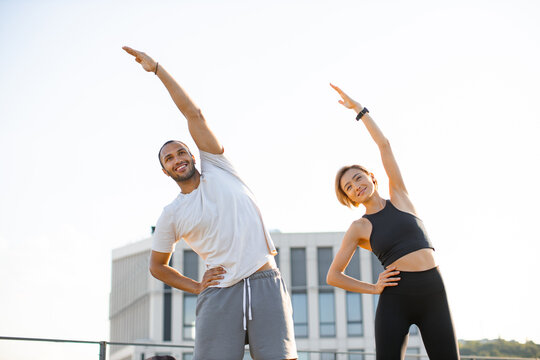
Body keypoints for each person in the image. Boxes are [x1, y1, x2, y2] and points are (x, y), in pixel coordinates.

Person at [122, 46, 297, 360]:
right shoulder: (172, 214)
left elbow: (194, 113)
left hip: (264, 281)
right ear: (164, 170)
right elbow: (157, 267)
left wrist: (158, 69)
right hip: (219, 293)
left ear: (192, 155)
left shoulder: (219, 168)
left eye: (181, 152)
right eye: (169, 158)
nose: (177, 159)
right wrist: (195, 286)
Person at [326, 84, 460, 360]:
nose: (356, 186)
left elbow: (383, 144)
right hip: (396, 298)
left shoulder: (400, 196)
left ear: (371, 178)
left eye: (358, 178)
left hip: (434, 290)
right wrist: (373, 288)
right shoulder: (359, 228)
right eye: (349, 187)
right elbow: (333, 275)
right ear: (349, 198)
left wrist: (359, 110)